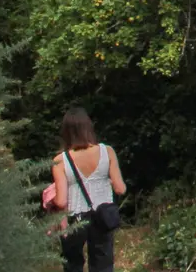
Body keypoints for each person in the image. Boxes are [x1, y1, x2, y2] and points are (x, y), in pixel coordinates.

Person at [50, 108, 125, 272]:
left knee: (73, 264)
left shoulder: (60, 160)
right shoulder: (108, 151)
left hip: (75, 219)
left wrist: (51, 199)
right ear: (88, 128)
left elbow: (61, 201)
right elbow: (120, 189)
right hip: (102, 216)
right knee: (103, 264)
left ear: (66, 133)